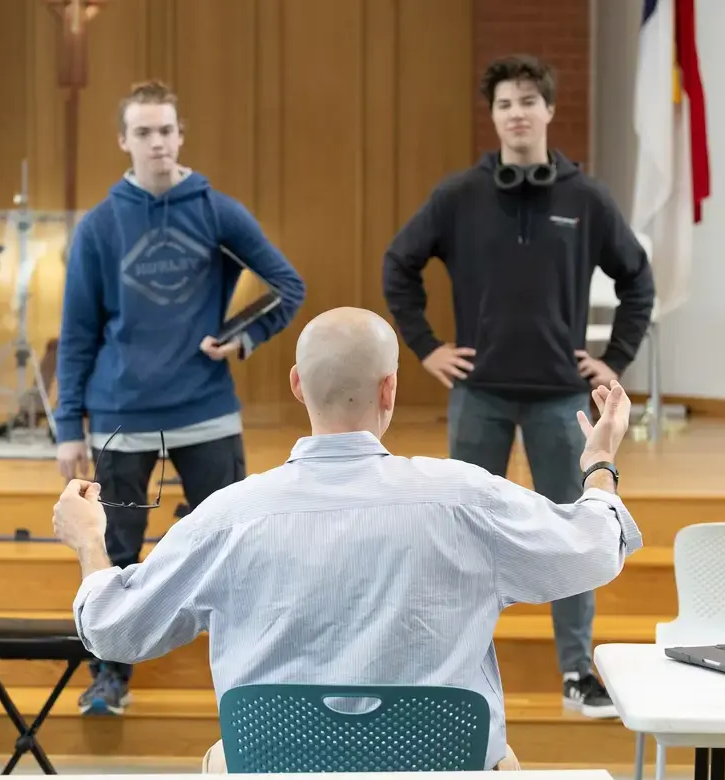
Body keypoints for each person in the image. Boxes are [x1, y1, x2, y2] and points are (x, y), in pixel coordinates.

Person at [52, 306, 642, 771]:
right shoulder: (467, 497)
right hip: (444, 772)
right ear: (389, 389)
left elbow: (114, 631)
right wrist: (599, 465)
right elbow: (594, 548)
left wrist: (90, 543)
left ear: (296, 385)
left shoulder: (227, 516)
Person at [382, 54, 656, 718]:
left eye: (529, 101)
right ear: (495, 115)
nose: (517, 112)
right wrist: (426, 348)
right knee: (458, 530)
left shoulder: (587, 199)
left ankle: (575, 674)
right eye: (505, 103)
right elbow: (400, 265)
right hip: (480, 394)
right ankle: (448, 668)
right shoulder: (459, 195)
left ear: (549, 111)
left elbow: (637, 281)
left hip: (563, 395)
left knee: (574, 532)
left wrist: (613, 358)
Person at [53, 79, 306, 715]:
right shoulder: (101, 226)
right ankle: (110, 676)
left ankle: (251, 675)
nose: (157, 142)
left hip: (205, 412)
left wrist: (239, 339)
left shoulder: (216, 210)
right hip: (120, 417)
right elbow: (78, 333)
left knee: (235, 542)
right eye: (143, 132)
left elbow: (286, 285)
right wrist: (66, 427)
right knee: (117, 547)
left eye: (166, 130)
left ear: (180, 135)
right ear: (124, 141)